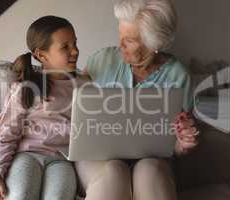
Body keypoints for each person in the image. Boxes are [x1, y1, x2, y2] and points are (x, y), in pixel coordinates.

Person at [76, 0, 199, 199]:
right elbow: (76, 109)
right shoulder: (102, 59)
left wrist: (183, 143)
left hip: (152, 160)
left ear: (154, 45)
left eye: (130, 40)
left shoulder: (178, 76)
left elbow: (174, 145)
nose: (120, 45)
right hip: (99, 159)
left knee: (149, 171)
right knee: (113, 172)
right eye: (120, 35)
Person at [0, 15, 89, 200]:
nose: (75, 51)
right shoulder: (27, 87)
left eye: (75, 43)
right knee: (21, 195)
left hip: (61, 161)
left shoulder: (85, 85)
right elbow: (6, 135)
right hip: (27, 156)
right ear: (41, 55)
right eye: (65, 47)